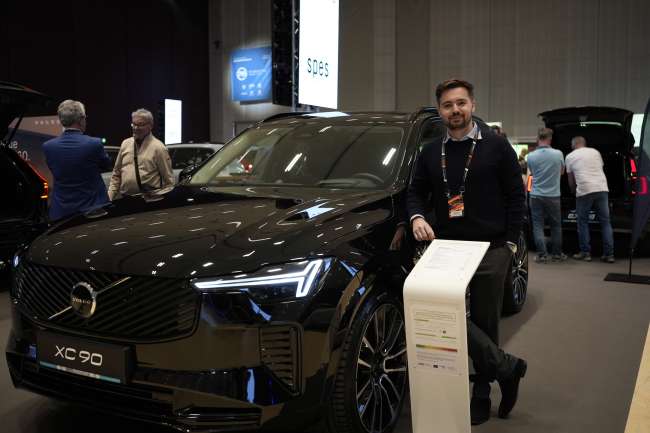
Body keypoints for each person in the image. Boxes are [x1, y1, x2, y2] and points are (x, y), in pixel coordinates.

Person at [407, 79, 527, 425]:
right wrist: (416, 217)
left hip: (491, 248)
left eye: (461, 103)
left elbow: (516, 196)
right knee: (442, 313)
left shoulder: (497, 146)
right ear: (440, 111)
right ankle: (507, 368)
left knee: (486, 320)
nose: (455, 110)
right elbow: (415, 192)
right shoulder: (431, 152)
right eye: (447, 105)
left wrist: (510, 244)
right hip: (447, 248)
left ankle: (481, 392)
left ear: (473, 105)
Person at [42, 100, 112, 220]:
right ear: (81, 119)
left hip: (62, 213)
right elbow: (107, 165)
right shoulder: (94, 143)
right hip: (93, 211)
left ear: (61, 120)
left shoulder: (48, 147)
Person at [565, 136, 615, 263]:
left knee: (582, 222)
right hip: (602, 188)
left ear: (573, 145)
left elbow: (571, 179)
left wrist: (573, 191)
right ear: (584, 143)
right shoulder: (595, 152)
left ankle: (585, 253)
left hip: (584, 190)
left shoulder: (570, 156)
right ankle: (609, 255)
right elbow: (599, 169)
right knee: (605, 222)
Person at [108, 108, 174, 200]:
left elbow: (169, 183)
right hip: (126, 199)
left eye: (140, 125)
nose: (135, 128)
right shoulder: (125, 144)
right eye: (134, 124)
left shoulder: (159, 148)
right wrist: (110, 197)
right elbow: (116, 174)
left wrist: (156, 197)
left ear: (150, 126)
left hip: (150, 201)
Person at [526, 127, 567, 262]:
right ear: (550, 139)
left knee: (538, 225)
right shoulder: (558, 154)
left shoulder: (531, 156)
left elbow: (532, 173)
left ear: (538, 139)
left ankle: (542, 255)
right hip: (553, 195)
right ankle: (557, 254)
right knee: (556, 226)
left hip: (536, 195)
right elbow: (562, 172)